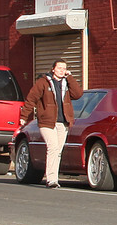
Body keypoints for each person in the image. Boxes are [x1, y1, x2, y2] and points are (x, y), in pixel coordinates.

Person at [20, 60, 80, 188]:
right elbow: (31, 99)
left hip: (62, 122)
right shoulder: (43, 82)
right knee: (52, 148)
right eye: (59, 68)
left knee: (58, 151)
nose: (61, 70)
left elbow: (78, 94)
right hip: (47, 122)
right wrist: (24, 116)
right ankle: (51, 179)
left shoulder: (66, 83)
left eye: (64, 68)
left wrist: (70, 78)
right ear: (53, 69)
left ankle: (54, 178)